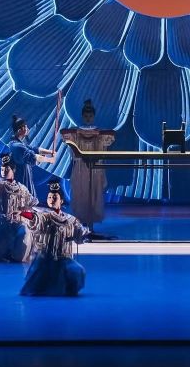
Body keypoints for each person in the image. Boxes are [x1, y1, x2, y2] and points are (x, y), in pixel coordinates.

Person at [20, 180, 90, 296]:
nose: (51, 200)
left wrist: (85, 234)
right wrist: (24, 213)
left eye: (54, 197)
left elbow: (79, 233)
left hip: (64, 257)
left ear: (61, 200)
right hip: (46, 258)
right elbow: (35, 219)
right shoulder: (44, 216)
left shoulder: (70, 219)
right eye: (49, 197)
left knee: (77, 271)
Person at [60, 99, 115, 230]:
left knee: (94, 193)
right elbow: (65, 135)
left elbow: (109, 139)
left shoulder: (99, 133)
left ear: (94, 116)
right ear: (82, 116)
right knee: (80, 193)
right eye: (86, 116)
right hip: (81, 168)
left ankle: (90, 225)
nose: (88, 118)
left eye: (90, 116)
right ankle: (80, 225)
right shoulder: (75, 133)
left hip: (95, 169)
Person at [0, 154, 40, 263]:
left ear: (13, 170)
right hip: (2, 224)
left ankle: (18, 255)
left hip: (18, 224)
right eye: (2, 169)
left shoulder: (22, 189)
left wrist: (21, 213)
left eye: (7, 169)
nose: (4, 171)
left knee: (24, 232)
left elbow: (31, 205)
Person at [7, 115, 55, 197]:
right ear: (19, 130)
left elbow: (34, 149)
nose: (27, 128)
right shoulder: (17, 146)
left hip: (25, 179)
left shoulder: (18, 144)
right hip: (22, 181)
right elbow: (34, 157)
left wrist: (50, 152)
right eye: (25, 126)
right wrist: (49, 160)